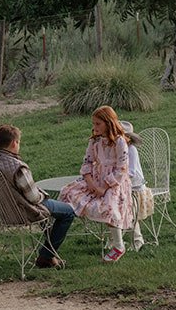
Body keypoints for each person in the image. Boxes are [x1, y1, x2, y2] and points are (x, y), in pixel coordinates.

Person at [0, 124, 76, 269]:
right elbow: (33, 198)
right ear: (14, 143)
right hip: (24, 210)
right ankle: (46, 256)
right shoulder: (18, 167)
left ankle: (49, 256)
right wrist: (43, 195)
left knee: (49, 214)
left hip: (6, 211)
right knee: (68, 212)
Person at [59, 104, 135, 262]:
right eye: (93, 123)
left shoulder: (120, 142)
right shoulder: (94, 141)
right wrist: (91, 184)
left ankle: (119, 245)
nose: (95, 127)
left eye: (98, 124)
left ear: (109, 123)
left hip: (114, 182)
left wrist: (104, 187)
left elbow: (122, 169)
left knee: (109, 206)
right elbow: (87, 162)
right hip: (95, 179)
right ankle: (56, 233)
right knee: (68, 192)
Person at [121, 119, 152, 251]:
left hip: (135, 187)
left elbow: (132, 172)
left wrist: (119, 177)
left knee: (131, 213)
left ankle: (137, 240)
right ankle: (115, 239)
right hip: (122, 186)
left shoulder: (131, 150)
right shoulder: (118, 150)